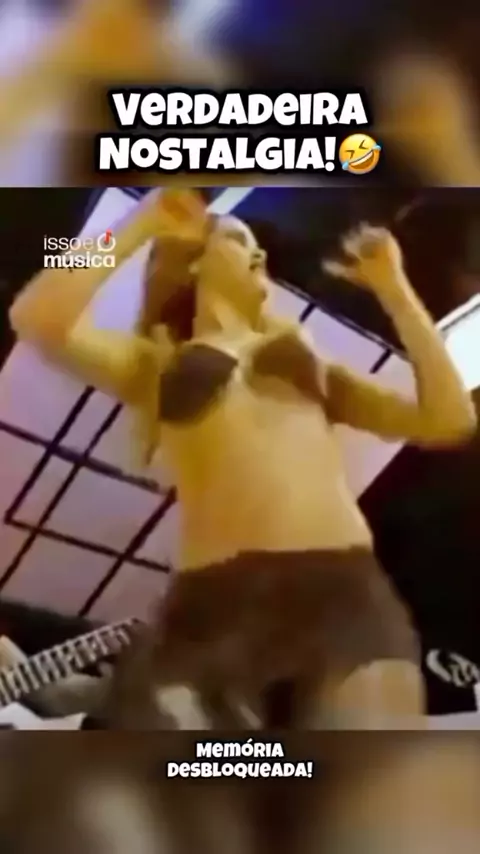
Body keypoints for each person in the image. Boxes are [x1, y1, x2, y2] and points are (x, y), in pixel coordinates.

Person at [9, 188, 476, 731]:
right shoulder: (158, 366)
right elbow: (36, 315)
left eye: (258, 249)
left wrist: (395, 290)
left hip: (341, 592)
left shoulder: (312, 366)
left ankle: (71, 695)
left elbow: (449, 420)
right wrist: (139, 223)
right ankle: (64, 696)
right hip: (213, 604)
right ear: (194, 263)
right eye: (238, 241)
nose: (259, 256)